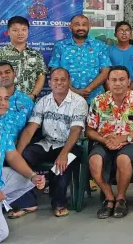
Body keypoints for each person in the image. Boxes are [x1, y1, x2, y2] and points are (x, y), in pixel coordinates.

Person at [10, 68, 86, 218]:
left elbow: (76, 130)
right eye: (55, 80)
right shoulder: (43, 102)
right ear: (50, 83)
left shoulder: (79, 102)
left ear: (69, 82)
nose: (59, 83)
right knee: (24, 157)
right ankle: (28, 202)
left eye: (63, 79)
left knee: (62, 166)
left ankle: (59, 203)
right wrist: (17, 155)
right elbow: (30, 129)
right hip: (47, 143)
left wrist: (64, 154)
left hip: (70, 145)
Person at [0, 87, 45, 244]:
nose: (3, 103)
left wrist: (33, 175)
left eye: (6, 98)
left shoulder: (1, 122)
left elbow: (12, 155)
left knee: (28, 179)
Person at [86, 66, 133, 219]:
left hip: (129, 143)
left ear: (128, 81)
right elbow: (89, 130)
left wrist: (125, 138)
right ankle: (109, 197)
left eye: (122, 79)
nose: (118, 83)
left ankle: (121, 198)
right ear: (107, 82)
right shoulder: (99, 101)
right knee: (94, 161)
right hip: (104, 142)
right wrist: (104, 140)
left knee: (123, 159)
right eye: (114, 80)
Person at [49, 15, 111, 103]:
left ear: (89, 27)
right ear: (70, 27)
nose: (81, 28)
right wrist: (73, 91)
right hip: (66, 98)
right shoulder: (60, 46)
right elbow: (55, 72)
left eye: (84, 25)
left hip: (95, 99)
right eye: (77, 25)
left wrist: (88, 90)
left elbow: (105, 72)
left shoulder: (100, 46)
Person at [0, 16, 46, 98]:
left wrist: (33, 96)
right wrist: (2, 97)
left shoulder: (36, 54)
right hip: (6, 102)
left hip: (29, 101)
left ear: (28, 31)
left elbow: (41, 76)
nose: (20, 33)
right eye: (15, 30)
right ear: (8, 32)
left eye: (23, 29)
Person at [109, 21, 133, 91]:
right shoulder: (108, 51)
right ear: (115, 34)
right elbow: (106, 74)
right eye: (120, 30)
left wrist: (128, 90)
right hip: (113, 88)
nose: (124, 33)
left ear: (131, 35)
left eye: (127, 30)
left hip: (130, 88)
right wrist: (112, 91)